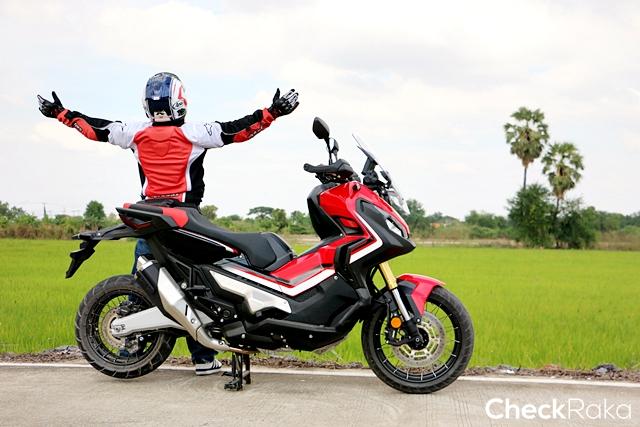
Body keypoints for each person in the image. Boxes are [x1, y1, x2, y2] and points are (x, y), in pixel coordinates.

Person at [37, 72, 299, 375]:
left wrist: (60, 113)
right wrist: (273, 112)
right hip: (186, 220)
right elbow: (239, 130)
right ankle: (204, 358)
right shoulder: (196, 132)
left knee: (142, 286)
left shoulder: (133, 132)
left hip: (150, 218)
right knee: (199, 284)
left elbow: (95, 129)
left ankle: (129, 350)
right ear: (180, 101)